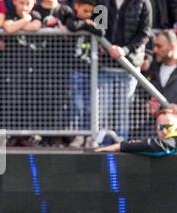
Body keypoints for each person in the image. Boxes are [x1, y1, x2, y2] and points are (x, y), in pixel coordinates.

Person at [96, 0, 152, 142]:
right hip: (105, 64)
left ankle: (121, 142)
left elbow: (144, 33)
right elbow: (99, 27)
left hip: (129, 66)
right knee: (103, 109)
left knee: (123, 110)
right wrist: (103, 45)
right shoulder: (102, 2)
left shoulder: (143, 3)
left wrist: (125, 50)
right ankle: (103, 142)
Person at [65, 0, 104, 148]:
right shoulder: (70, 15)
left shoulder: (99, 14)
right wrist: (87, 24)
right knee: (77, 104)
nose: (89, 15)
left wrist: (90, 24)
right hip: (76, 70)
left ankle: (91, 136)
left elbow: (101, 31)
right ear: (77, 7)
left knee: (92, 105)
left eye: (91, 12)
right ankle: (79, 135)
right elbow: (72, 26)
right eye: (85, 11)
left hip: (93, 71)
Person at [95, 111, 177, 156]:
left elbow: (154, 145)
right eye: (160, 127)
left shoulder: (173, 142)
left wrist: (120, 146)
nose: (163, 130)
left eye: (168, 126)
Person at [145, 30, 177, 118]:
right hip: (149, 127)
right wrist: (147, 105)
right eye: (155, 45)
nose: (155, 50)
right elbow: (140, 95)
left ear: (172, 47)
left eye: (159, 46)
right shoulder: (151, 69)